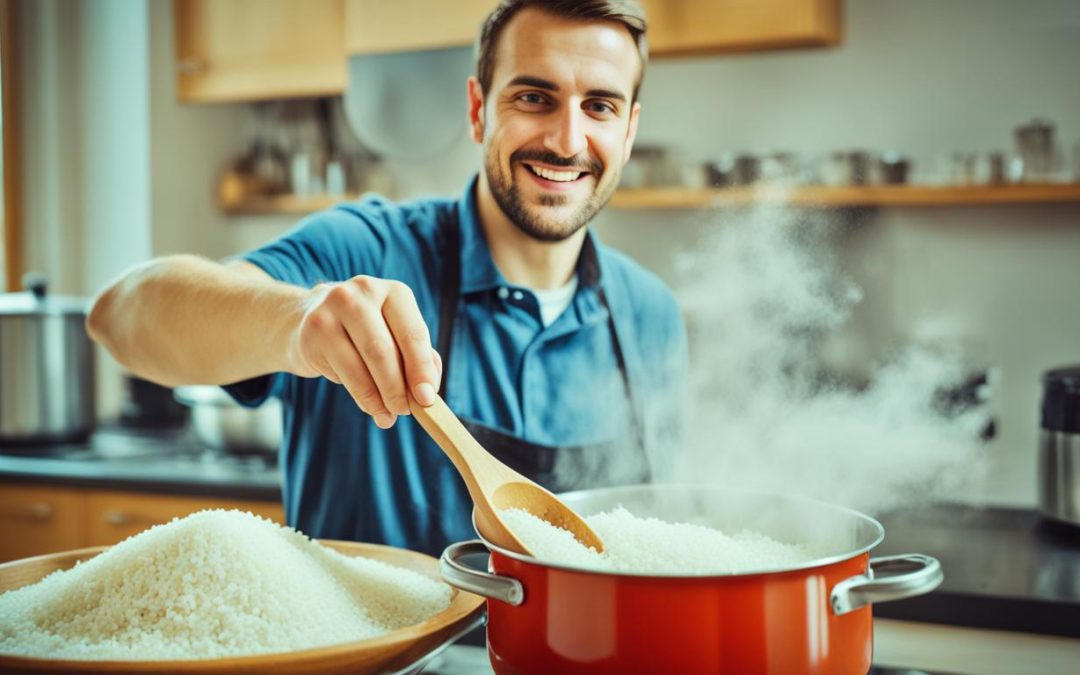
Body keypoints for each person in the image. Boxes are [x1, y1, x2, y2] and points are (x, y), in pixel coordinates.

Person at [87, 0, 687, 556]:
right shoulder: (365, 250)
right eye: (534, 98)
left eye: (600, 106)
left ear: (628, 131)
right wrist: (295, 323)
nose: (567, 140)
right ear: (479, 110)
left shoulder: (649, 313)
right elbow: (122, 314)